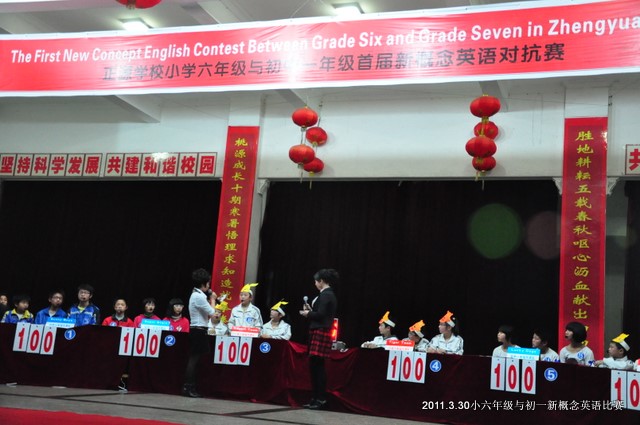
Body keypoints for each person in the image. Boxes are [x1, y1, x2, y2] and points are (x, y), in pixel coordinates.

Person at [299, 268, 338, 410]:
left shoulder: (327, 295)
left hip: (321, 330)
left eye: (316, 281)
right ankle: (315, 398)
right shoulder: (326, 294)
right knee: (314, 366)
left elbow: (321, 315)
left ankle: (320, 399)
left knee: (318, 367)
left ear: (321, 281)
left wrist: (307, 314)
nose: (315, 284)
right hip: (318, 330)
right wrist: (311, 311)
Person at [183, 268, 217, 398]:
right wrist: (213, 299)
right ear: (204, 283)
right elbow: (213, 314)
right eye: (208, 283)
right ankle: (188, 387)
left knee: (195, 360)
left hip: (198, 330)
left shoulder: (197, 295)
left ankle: (190, 386)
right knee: (194, 360)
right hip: (198, 330)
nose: (209, 286)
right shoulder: (199, 296)